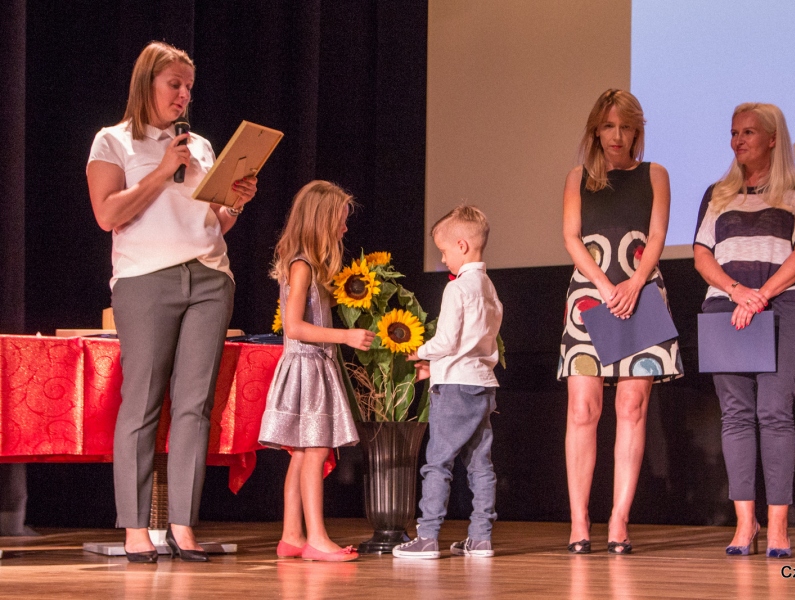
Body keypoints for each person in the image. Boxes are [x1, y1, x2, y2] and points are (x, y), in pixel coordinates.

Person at [87, 41, 257, 563]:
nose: (183, 95)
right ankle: (136, 530)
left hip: (208, 277)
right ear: (147, 84)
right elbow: (106, 214)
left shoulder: (201, 146)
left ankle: (183, 526)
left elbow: (212, 220)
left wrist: (235, 202)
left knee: (194, 406)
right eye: (174, 84)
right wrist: (161, 170)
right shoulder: (113, 141)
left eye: (188, 87)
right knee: (141, 401)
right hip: (145, 280)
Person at [559, 89, 682, 555]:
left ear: (637, 132)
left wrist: (633, 284)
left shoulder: (655, 174)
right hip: (590, 297)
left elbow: (657, 234)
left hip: (642, 291)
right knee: (581, 410)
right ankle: (579, 522)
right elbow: (571, 238)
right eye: (609, 126)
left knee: (632, 408)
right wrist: (605, 287)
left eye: (626, 127)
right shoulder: (577, 178)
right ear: (596, 129)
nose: (617, 135)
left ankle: (618, 520)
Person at [694, 103, 795, 558]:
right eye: (733, 132)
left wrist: (760, 294)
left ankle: (780, 527)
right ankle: (746, 524)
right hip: (725, 308)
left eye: (748, 132)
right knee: (736, 416)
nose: (738, 140)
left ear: (772, 138)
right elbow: (702, 255)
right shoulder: (718, 193)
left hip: (782, 305)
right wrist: (736, 291)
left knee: (774, 412)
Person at [258, 180, 375, 562]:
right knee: (314, 449)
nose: (344, 229)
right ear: (321, 222)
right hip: (307, 366)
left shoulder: (308, 266)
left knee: (301, 453)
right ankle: (317, 538)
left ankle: (292, 535)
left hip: (312, 366)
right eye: (340, 222)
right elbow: (293, 327)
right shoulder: (302, 266)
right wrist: (346, 335)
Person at [392, 205, 503, 559]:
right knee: (480, 464)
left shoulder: (458, 289)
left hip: (455, 388)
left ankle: (427, 537)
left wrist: (417, 352)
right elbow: (477, 343)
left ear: (462, 246)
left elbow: (447, 343)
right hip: (483, 385)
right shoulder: (489, 287)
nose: (443, 260)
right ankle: (481, 536)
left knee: (438, 462)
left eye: (444, 252)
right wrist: (436, 366)